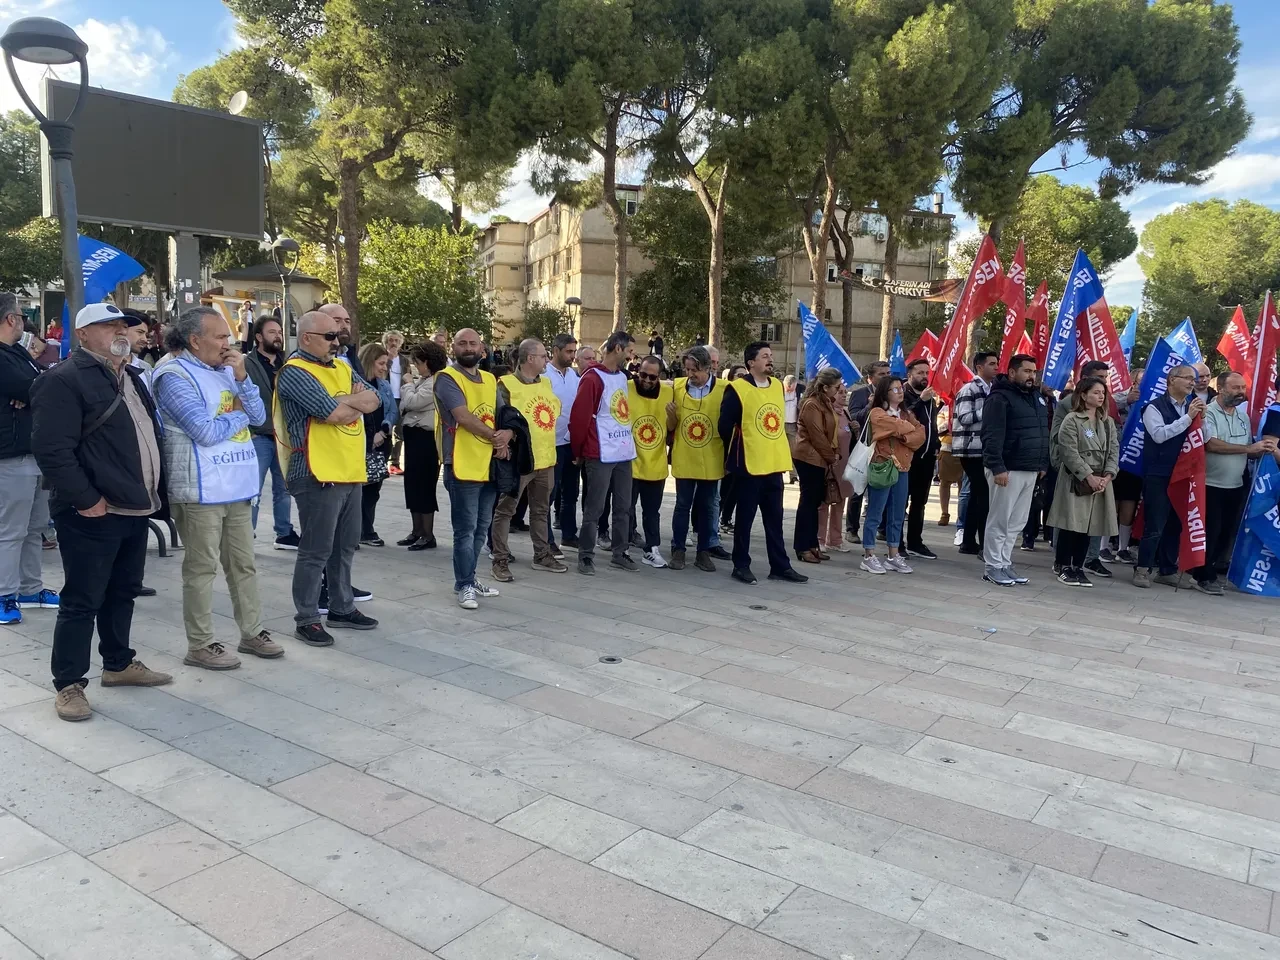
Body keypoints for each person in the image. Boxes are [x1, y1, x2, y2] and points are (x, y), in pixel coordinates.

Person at [31, 303, 173, 721]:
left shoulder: (130, 376)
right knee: (82, 598)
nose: (120, 330)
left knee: (123, 590)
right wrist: (85, 498)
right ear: (83, 334)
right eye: (108, 325)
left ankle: (118, 663)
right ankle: (69, 684)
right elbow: (52, 451)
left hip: (133, 505)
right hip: (94, 509)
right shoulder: (63, 380)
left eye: (124, 324)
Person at [151, 307, 282, 669]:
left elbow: (259, 417)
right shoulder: (173, 374)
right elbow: (205, 432)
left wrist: (242, 379)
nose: (229, 344)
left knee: (243, 565)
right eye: (221, 337)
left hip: (236, 484)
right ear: (195, 340)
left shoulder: (227, 370)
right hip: (199, 488)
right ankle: (201, 643)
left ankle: (252, 632)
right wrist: (238, 414)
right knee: (201, 568)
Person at [274, 310, 381, 645]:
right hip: (315, 471)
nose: (338, 341)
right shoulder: (294, 371)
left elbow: (374, 399)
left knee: (345, 545)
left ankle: (341, 607)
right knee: (315, 549)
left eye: (337, 335)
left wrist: (341, 402)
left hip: (348, 469)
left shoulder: (343, 366)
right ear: (306, 338)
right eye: (330, 336)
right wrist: (348, 403)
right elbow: (332, 414)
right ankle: (307, 617)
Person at [717, 341, 808, 586]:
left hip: (774, 464)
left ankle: (780, 566)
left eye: (771, 355)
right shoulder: (737, 388)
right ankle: (741, 565)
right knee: (744, 520)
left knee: (774, 521)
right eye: (765, 356)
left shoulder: (777, 386)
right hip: (748, 465)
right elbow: (724, 426)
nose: (770, 359)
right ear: (751, 362)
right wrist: (737, 450)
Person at [436, 328, 510, 608]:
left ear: (482, 349)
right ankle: (465, 583)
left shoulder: (491, 379)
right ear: (453, 348)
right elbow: (463, 417)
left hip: (488, 464)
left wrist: (508, 435)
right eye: (462, 343)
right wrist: (496, 436)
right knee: (465, 529)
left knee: (481, 527)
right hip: (462, 463)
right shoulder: (447, 378)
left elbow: (504, 414)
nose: (468, 348)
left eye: (473, 343)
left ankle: (467, 578)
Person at [0, 292, 58, 625]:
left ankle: (29, 588)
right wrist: (34, 392)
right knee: (11, 530)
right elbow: (38, 388)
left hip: (34, 454)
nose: (23, 321)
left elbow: (44, 382)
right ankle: (4, 593)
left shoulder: (18, 354)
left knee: (35, 527)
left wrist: (33, 392)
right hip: (11, 457)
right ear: (11, 319)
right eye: (20, 315)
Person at [491, 338, 566, 580]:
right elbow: (501, 420)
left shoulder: (545, 382)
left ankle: (542, 554)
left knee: (541, 510)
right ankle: (500, 559)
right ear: (530, 358)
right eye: (544, 356)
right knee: (506, 510)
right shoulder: (505, 385)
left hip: (545, 458)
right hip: (519, 461)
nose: (547, 360)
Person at [1193, 371, 1274, 594]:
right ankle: (1204, 576)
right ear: (1220, 388)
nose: (1240, 392)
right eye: (1235, 388)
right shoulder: (1208, 412)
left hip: (1236, 484)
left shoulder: (1243, 416)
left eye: (1243, 388)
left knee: (1226, 532)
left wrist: (1262, 450)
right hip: (1211, 483)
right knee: (1211, 529)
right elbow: (1212, 445)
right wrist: (1249, 449)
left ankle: (1207, 570)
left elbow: (1249, 449)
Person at [570, 331, 637, 575]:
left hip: (622, 451)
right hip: (598, 451)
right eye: (629, 350)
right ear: (617, 349)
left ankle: (620, 552)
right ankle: (585, 555)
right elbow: (579, 418)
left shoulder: (621, 376)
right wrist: (578, 450)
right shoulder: (592, 378)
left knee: (624, 505)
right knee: (595, 506)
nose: (632, 355)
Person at [980, 354, 1049, 586]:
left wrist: (1042, 464)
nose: (1031, 376)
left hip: (1030, 469)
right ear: (1011, 372)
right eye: (1026, 371)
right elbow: (991, 435)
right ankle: (992, 566)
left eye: (1033, 372)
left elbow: (1040, 432)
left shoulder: (1036, 397)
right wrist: (997, 466)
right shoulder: (999, 398)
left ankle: (1004, 562)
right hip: (1006, 469)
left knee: (1016, 523)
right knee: (1000, 520)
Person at [1134, 364, 1204, 588]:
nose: (1192, 383)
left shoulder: (1191, 407)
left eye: (1193, 379)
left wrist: (1203, 417)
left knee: (1176, 523)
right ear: (1171, 380)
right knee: (1155, 523)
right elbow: (1159, 435)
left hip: (1183, 473)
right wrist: (1187, 418)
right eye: (1187, 378)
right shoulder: (1153, 407)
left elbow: (1205, 436)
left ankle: (1167, 569)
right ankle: (1143, 569)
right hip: (1159, 473)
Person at [1046, 377, 1118, 587]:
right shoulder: (1072, 419)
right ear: (1084, 395)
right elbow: (1069, 452)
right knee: (1072, 523)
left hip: (1100, 480)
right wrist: (1088, 476)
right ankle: (1064, 565)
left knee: (1090, 525)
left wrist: (1108, 475)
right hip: (1077, 479)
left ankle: (1079, 565)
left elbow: (1113, 450)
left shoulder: (1107, 422)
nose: (1100, 396)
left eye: (1102, 392)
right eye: (1095, 392)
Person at [667, 346, 727, 572]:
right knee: (683, 505)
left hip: (712, 457)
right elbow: (671, 427)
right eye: (687, 369)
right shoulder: (678, 387)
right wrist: (671, 416)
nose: (690, 374)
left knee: (707, 507)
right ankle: (678, 549)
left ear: (708, 367)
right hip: (686, 456)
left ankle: (703, 551)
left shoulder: (724, 389)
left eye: (695, 370)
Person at [243, 316, 300, 549]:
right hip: (259, 435)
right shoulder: (247, 363)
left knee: (284, 488)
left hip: (284, 436)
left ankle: (284, 533)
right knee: (252, 490)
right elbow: (238, 395)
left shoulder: (288, 364)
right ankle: (247, 534)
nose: (278, 336)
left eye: (279, 332)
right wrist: (249, 430)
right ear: (258, 337)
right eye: (272, 332)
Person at [859, 376, 925, 574]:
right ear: (884, 392)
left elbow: (920, 434)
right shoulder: (877, 412)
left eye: (900, 388)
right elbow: (897, 426)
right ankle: (869, 555)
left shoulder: (906, 412)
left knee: (897, 513)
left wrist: (904, 434)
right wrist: (905, 428)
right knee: (876, 512)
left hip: (903, 467)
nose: (900, 392)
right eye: (895, 389)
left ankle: (893, 554)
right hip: (882, 466)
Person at [399, 341, 447, 550]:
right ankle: (416, 530)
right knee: (412, 484)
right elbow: (406, 403)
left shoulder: (437, 381)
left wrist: (408, 385)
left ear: (427, 362)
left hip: (426, 439)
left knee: (424, 485)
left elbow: (412, 402)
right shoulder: (425, 380)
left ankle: (428, 534)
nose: (415, 367)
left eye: (417, 362)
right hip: (413, 436)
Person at [626, 354, 673, 568]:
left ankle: (652, 549)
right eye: (643, 374)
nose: (646, 380)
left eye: (652, 377)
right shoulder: (625, 388)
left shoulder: (669, 392)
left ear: (660, 377)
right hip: (629, 462)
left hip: (655, 463)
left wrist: (672, 416)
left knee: (651, 511)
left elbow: (672, 427)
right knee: (625, 508)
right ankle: (623, 546)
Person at [792, 367, 842, 564]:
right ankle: (802, 546)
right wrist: (831, 456)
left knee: (814, 504)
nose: (838, 391)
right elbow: (817, 436)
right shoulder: (812, 404)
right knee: (808, 504)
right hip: (809, 458)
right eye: (836, 388)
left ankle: (812, 545)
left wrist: (833, 453)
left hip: (819, 458)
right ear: (824, 387)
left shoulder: (825, 403)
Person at [953, 351, 998, 555]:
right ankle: (979, 541)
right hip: (971, 449)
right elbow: (964, 417)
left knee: (977, 495)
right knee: (982, 495)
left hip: (984, 448)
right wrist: (988, 410)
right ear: (979, 367)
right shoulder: (969, 389)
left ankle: (969, 541)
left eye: (996, 363)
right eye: (991, 364)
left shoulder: (993, 389)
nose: (996, 367)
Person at [845, 360, 891, 541]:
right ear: (870, 378)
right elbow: (854, 418)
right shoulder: (860, 394)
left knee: (882, 489)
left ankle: (881, 528)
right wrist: (869, 406)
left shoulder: (893, 395)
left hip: (885, 448)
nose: (887, 377)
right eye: (882, 374)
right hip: (863, 447)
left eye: (888, 373)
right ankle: (851, 529)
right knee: (858, 490)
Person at [357, 342, 397, 547]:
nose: (384, 368)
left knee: (373, 490)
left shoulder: (385, 386)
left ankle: (366, 529)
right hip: (359, 445)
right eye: (381, 363)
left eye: (387, 364)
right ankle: (356, 530)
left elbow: (393, 411)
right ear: (369, 361)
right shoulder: (356, 384)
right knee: (356, 491)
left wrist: (384, 430)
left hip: (380, 444)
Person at [903, 359, 940, 560]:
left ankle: (915, 542)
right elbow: (904, 417)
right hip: (908, 457)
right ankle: (896, 543)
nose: (924, 376)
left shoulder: (930, 400)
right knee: (901, 503)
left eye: (927, 373)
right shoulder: (902, 394)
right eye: (920, 373)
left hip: (926, 458)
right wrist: (921, 401)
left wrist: (936, 446)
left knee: (920, 502)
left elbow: (931, 425)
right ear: (910, 374)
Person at [547, 333, 581, 549]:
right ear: (556, 350)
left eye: (574, 352)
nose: (572, 356)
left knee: (571, 492)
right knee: (549, 493)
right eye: (569, 351)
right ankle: (547, 540)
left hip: (571, 443)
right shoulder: (544, 375)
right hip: (551, 444)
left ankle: (569, 534)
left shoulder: (574, 376)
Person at [819, 382, 854, 554]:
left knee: (840, 500)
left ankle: (835, 539)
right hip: (829, 463)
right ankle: (819, 538)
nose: (843, 395)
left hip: (845, 464)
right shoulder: (826, 412)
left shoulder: (845, 412)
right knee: (824, 502)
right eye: (840, 392)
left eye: (845, 392)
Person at [383, 330, 406, 473]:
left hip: (400, 398)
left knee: (399, 432)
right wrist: (389, 358)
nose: (393, 343)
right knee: (385, 430)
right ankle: (382, 461)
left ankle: (394, 463)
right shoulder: (382, 358)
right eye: (391, 340)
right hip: (386, 398)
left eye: (396, 341)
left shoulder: (404, 360)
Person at [783, 374, 800, 485]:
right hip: (779, 425)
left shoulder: (801, 392)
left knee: (794, 452)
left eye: (791, 388)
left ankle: (793, 476)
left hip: (793, 425)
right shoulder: (777, 390)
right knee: (779, 450)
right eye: (787, 388)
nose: (789, 390)